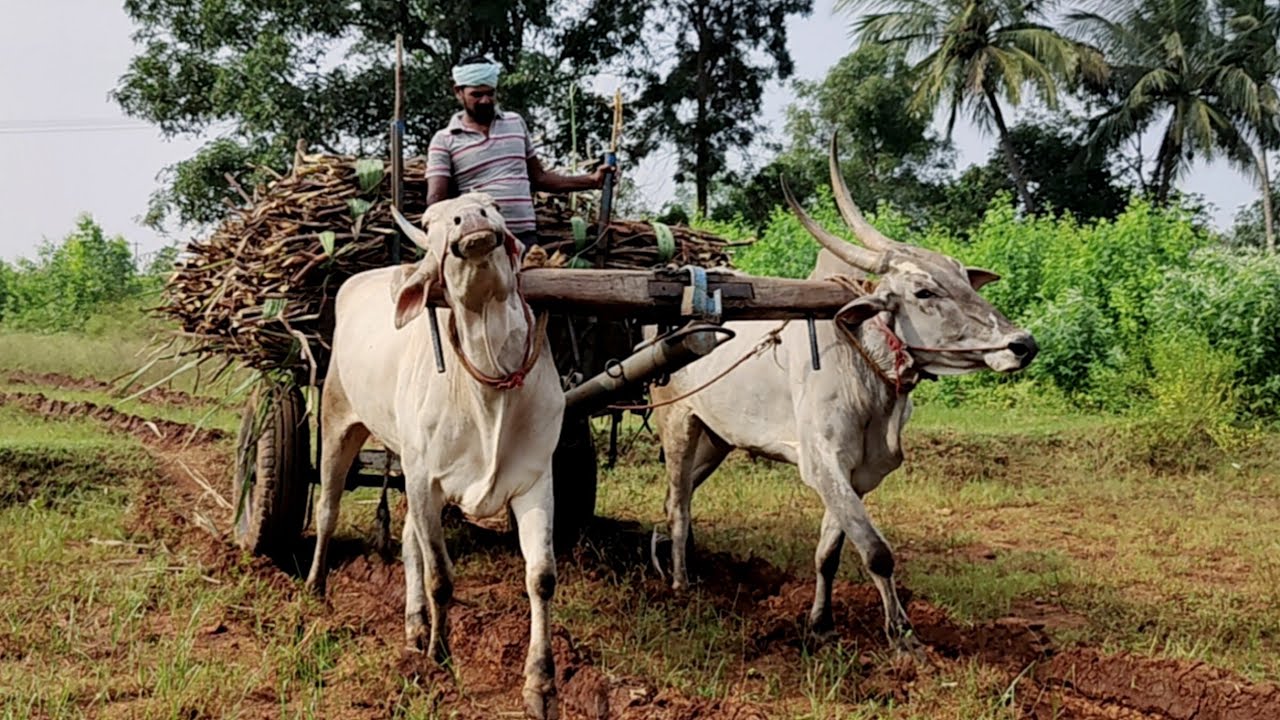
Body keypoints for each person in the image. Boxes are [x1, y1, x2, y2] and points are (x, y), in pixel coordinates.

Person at [425, 55, 613, 250]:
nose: (485, 100)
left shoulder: (515, 123)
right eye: (477, 94)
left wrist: (592, 181)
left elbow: (539, 178)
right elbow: (436, 199)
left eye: (490, 93)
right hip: (481, 241)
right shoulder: (445, 140)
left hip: (524, 238)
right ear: (458, 92)